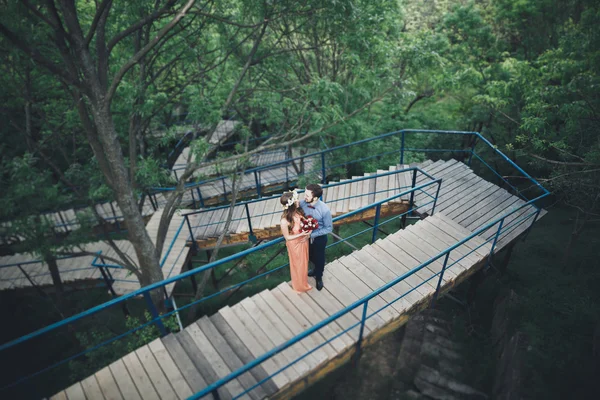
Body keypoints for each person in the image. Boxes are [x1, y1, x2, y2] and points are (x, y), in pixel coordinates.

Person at [300, 183, 333, 291]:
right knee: (308, 255)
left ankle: (318, 277)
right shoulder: (303, 203)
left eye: (307, 196)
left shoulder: (325, 210)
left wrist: (312, 234)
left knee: (319, 259)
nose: (304, 197)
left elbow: (329, 228)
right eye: (305, 194)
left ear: (315, 197)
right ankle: (315, 269)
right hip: (306, 238)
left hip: (319, 238)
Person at [280, 189, 312, 293]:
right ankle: (300, 286)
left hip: (304, 242)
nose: (299, 201)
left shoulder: (298, 212)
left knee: (304, 263)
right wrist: (302, 234)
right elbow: (287, 237)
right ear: (292, 205)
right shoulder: (285, 221)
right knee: (298, 265)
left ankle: (304, 281)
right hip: (295, 245)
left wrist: (308, 234)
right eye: (296, 200)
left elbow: (305, 224)